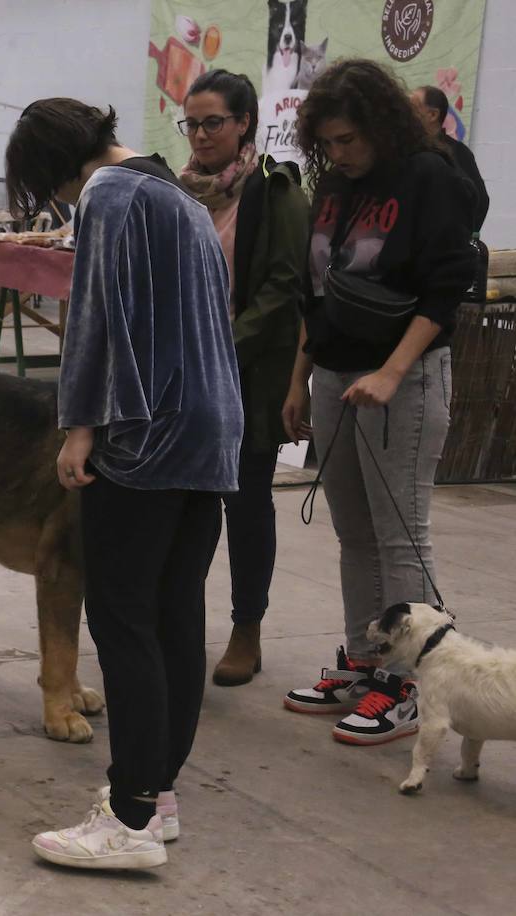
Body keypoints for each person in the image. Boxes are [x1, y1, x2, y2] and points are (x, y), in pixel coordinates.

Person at [7, 99, 242, 871]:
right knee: (174, 618)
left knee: (123, 621)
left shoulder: (110, 194)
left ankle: (132, 816)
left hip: (148, 437)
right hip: (209, 433)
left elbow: (99, 316)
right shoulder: (178, 193)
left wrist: (79, 425)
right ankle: (159, 798)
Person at [282, 59, 471, 745]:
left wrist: (392, 372)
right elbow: (320, 288)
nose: (339, 154)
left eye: (349, 141)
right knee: (353, 532)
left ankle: (414, 683)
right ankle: (366, 661)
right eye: (328, 142)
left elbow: (446, 292)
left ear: (380, 126)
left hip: (405, 379)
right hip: (336, 375)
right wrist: (300, 375)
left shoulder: (429, 181)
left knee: (402, 536)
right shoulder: (334, 186)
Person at [178, 70, 310, 687]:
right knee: (185, 505)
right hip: (185, 377)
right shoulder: (182, 192)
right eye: (192, 123)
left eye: (213, 123)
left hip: (245, 375)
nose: (201, 135)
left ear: (244, 125)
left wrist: (219, 347)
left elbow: (284, 289)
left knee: (245, 505)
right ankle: (179, 620)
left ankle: (246, 630)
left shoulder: (273, 192)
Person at [410, 85, 488, 233]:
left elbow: (481, 201)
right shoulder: (405, 150)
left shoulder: (458, 152)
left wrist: (462, 237)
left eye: (412, 108)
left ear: (432, 115)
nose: (406, 113)